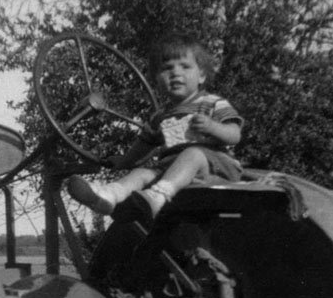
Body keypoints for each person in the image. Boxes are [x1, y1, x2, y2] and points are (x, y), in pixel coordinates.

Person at [66, 33, 243, 224]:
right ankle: (108, 196)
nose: (175, 72)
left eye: (185, 66)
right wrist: (125, 161)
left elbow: (234, 135)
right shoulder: (161, 116)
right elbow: (144, 145)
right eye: (167, 68)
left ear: (201, 75)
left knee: (193, 154)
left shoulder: (213, 103)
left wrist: (213, 127)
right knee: (141, 173)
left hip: (215, 168)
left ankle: (159, 195)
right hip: (172, 170)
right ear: (157, 79)